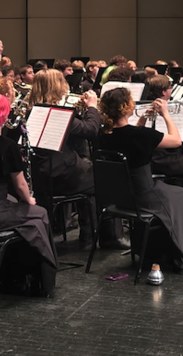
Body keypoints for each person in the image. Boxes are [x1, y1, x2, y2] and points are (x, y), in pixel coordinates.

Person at [96, 88, 183, 273]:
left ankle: (150, 250)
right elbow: (176, 141)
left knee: (176, 194)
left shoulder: (103, 135)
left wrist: (143, 119)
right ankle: (181, 254)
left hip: (120, 198)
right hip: (144, 195)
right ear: (126, 106)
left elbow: (130, 136)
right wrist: (166, 115)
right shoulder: (140, 136)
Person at [0, 92, 59, 295]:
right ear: (4, 117)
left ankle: (13, 272)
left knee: (24, 210)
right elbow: (21, 185)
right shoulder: (8, 147)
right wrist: (29, 200)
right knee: (39, 213)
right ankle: (44, 278)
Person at [26, 70, 127, 250]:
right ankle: (106, 236)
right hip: (61, 174)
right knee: (105, 179)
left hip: (40, 174)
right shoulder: (56, 112)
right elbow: (90, 130)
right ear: (57, 86)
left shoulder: (32, 110)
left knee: (88, 173)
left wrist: (79, 110)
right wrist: (92, 107)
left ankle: (89, 235)